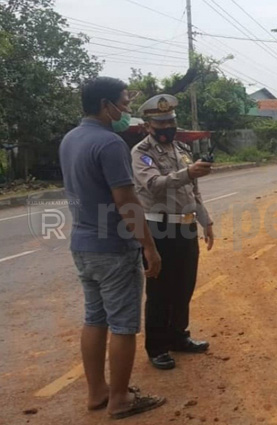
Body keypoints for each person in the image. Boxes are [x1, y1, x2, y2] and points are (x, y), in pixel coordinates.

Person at [59, 77, 165, 419]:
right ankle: (120, 399)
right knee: (123, 324)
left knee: (94, 318)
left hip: (83, 244)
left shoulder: (70, 139)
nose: (127, 108)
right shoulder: (110, 144)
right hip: (114, 248)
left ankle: (97, 393)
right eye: (123, 101)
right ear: (106, 105)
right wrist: (148, 246)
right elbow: (126, 201)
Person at [131, 94, 214, 370]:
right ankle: (157, 347)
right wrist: (189, 172)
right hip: (159, 229)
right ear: (148, 126)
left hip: (186, 228)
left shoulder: (180, 150)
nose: (167, 127)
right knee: (160, 291)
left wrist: (206, 221)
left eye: (171, 122)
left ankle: (179, 336)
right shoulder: (141, 153)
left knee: (184, 286)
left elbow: (194, 190)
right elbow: (154, 184)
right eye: (160, 123)